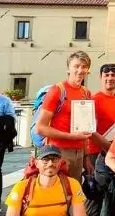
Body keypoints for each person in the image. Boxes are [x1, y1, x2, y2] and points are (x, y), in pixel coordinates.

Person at [34, 51, 95, 183]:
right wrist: (72, 136)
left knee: (73, 195)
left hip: (79, 152)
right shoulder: (57, 90)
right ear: (68, 68)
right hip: (58, 152)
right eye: (76, 66)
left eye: (84, 67)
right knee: (58, 195)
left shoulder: (86, 92)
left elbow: (84, 129)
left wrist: (86, 157)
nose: (80, 70)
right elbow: (40, 128)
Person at [86, 63, 115, 216]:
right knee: (94, 196)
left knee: (113, 195)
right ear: (101, 78)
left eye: (113, 75)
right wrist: (89, 157)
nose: (110, 78)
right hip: (96, 153)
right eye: (106, 75)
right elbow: (88, 130)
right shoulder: (93, 100)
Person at [5, 146, 87, 216]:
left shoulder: (72, 184)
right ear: (37, 163)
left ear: (60, 163)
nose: (50, 163)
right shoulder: (22, 187)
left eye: (55, 159)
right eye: (45, 159)